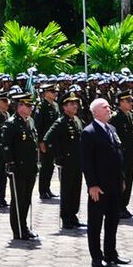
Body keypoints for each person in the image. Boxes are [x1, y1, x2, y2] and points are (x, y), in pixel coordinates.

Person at [80, 98, 128, 267]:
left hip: (114, 184)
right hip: (99, 187)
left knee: (112, 221)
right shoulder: (89, 132)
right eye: (104, 107)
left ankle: (111, 253)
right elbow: (87, 162)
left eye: (108, 106)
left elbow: (118, 155)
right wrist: (92, 185)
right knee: (95, 223)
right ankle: (96, 257)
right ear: (96, 112)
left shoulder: (112, 129)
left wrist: (122, 179)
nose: (109, 109)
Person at [2, 92, 39, 242]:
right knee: (18, 200)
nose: (31, 108)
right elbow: (5, 146)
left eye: (31, 105)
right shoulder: (11, 123)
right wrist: (10, 163)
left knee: (27, 199)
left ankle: (24, 227)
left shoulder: (29, 121)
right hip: (18, 168)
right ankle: (17, 230)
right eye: (28, 105)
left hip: (30, 167)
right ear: (20, 106)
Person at [44, 92, 85, 229]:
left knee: (76, 189)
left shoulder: (77, 120)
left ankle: (73, 215)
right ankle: (66, 217)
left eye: (76, 103)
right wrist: (57, 155)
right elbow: (47, 140)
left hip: (78, 160)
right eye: (71, 104)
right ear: (64, 107)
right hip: (66, 162)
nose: (75, 106)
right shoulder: (61, 122)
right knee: (66, 190)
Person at [110, 92, 133, 220]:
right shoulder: (116, 117)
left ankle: (124, 205)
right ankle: (118, 206)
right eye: (128, 101)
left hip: (129, 153)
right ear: (121, 102)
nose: (131, 103)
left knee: (129, 179)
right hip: (121, 154)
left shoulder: (130, 115)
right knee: (121, 180)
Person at [33, 84, 60, 199]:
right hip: (45, 141)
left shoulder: (55, 105)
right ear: (46, 93)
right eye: (52, 91)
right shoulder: (41, 106)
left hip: (54, 141)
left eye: (55, 91)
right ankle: (42, 190)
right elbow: (38, 126)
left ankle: (47, 188)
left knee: (50, 167)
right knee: (45, 166)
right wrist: (41, 142)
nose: (55, 93)